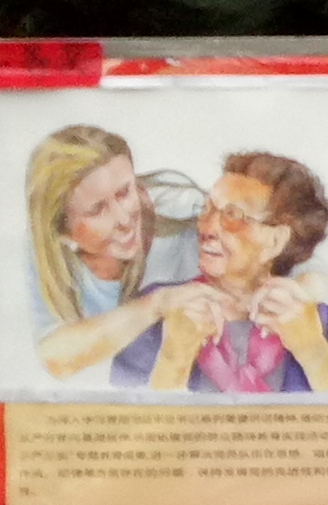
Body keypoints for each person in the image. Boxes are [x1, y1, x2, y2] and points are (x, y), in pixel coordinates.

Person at [129, 151, 328, 395]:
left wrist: (313, 351)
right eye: (207, 209)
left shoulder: (319, 325)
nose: (207, 227)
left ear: (276, 240)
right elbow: (129, 413)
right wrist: (174, 359)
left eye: (232, 215)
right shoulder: (155, 312)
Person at [23, 122, 200, 381]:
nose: (124, 219)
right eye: (97, 210)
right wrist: (156, 304)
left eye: (124, 192)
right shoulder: (41, 257)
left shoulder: (182, 209)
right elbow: (54, 357)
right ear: (63, 232)